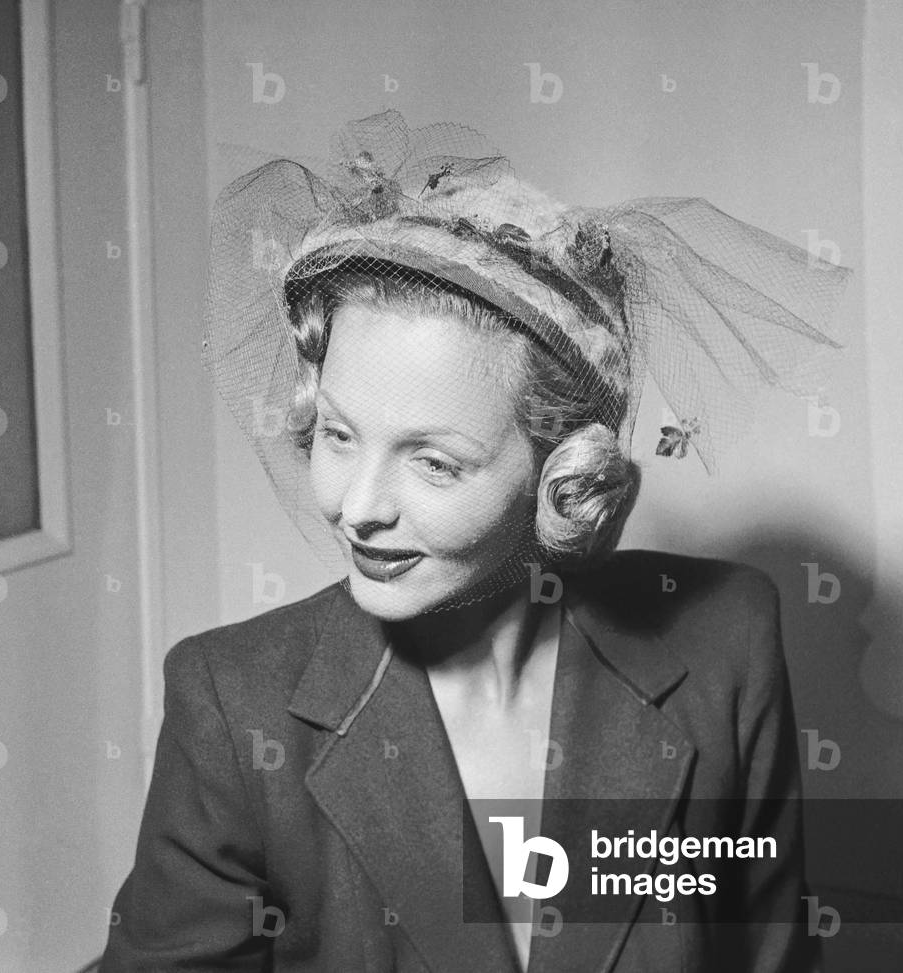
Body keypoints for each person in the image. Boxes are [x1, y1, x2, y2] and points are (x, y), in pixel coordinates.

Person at [100, 110, 850, 972]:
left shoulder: (726, 641)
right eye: (340, 434)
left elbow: (770, 956)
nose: (357, 506)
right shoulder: (233, 707)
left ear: (562, 476)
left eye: (434, 461)